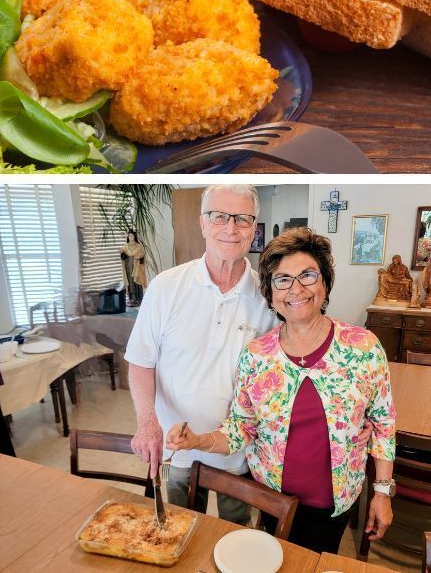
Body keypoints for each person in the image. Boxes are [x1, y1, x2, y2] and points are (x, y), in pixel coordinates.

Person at [166, 227, 396, 554]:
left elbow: (384, 424)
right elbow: (242, 427)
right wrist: (198, 441)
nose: (296, 289)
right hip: (272, 499)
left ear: (325, 282)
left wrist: (383, 492)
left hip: (335, 501)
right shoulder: (257, 355)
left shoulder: (362, 347)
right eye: (282, 279)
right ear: (271, 293)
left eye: (307, 275)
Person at [125, 184, 276, 526]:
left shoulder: (267, 297)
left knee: (233, 530)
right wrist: (147, 422)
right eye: (219, 216)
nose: (230, 228)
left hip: (235, 451)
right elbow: (140, 362)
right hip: (177, 447)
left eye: (242, 219)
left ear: (254, 229)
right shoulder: (166, 287)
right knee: (179, 526)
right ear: (203, 223)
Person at [120, 229, 148, 306]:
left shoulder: (138, 246)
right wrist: (122, 253)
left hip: (136, 268)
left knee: (136, 281)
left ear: (134, 236)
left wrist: (139, 256)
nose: (130, 237)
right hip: (128, 267)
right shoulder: (126, 246)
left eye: (132, 236)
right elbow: (124, 257)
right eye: (129, 236)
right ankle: (132, 299)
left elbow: (142, 254)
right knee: (130, 281)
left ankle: (139, 298)